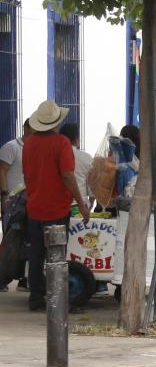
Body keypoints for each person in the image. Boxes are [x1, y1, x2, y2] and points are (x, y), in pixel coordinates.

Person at [20, 101, 92, 312]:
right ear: (56, 122)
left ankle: (35, 298)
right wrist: (81, 203)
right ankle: (57, 300)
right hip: (57, 209)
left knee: (36, 254)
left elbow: (27, 175)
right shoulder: (61, 143)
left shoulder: (29, 143)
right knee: (57, 256)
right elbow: (68, 176)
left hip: (34, 208)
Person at [0, 125, 29, 291]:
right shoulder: (11, 147)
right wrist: (4, 195)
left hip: (27, 202)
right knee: (8, 241)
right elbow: (1, 171)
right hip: (12, 202)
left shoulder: (34, 148)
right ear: (27, 129)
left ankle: (23, 279)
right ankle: (1, 279)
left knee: (25, 242)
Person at [60, 124, 94, 211]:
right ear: (77, 139)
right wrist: (89, 207)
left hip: (59, 206)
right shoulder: (86, 157)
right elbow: (92, 188)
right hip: (80, 207)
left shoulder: (54, 156)